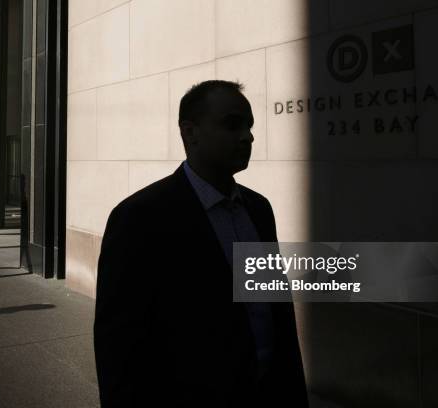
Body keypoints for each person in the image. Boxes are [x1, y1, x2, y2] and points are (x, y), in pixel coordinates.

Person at [94, 80, 309, 407]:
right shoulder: (139, 218)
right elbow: (118, 348)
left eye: (249, 126)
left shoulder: (259, 209)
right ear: (190, 133)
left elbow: (275, 316)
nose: (247, 136)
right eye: (232, 124)